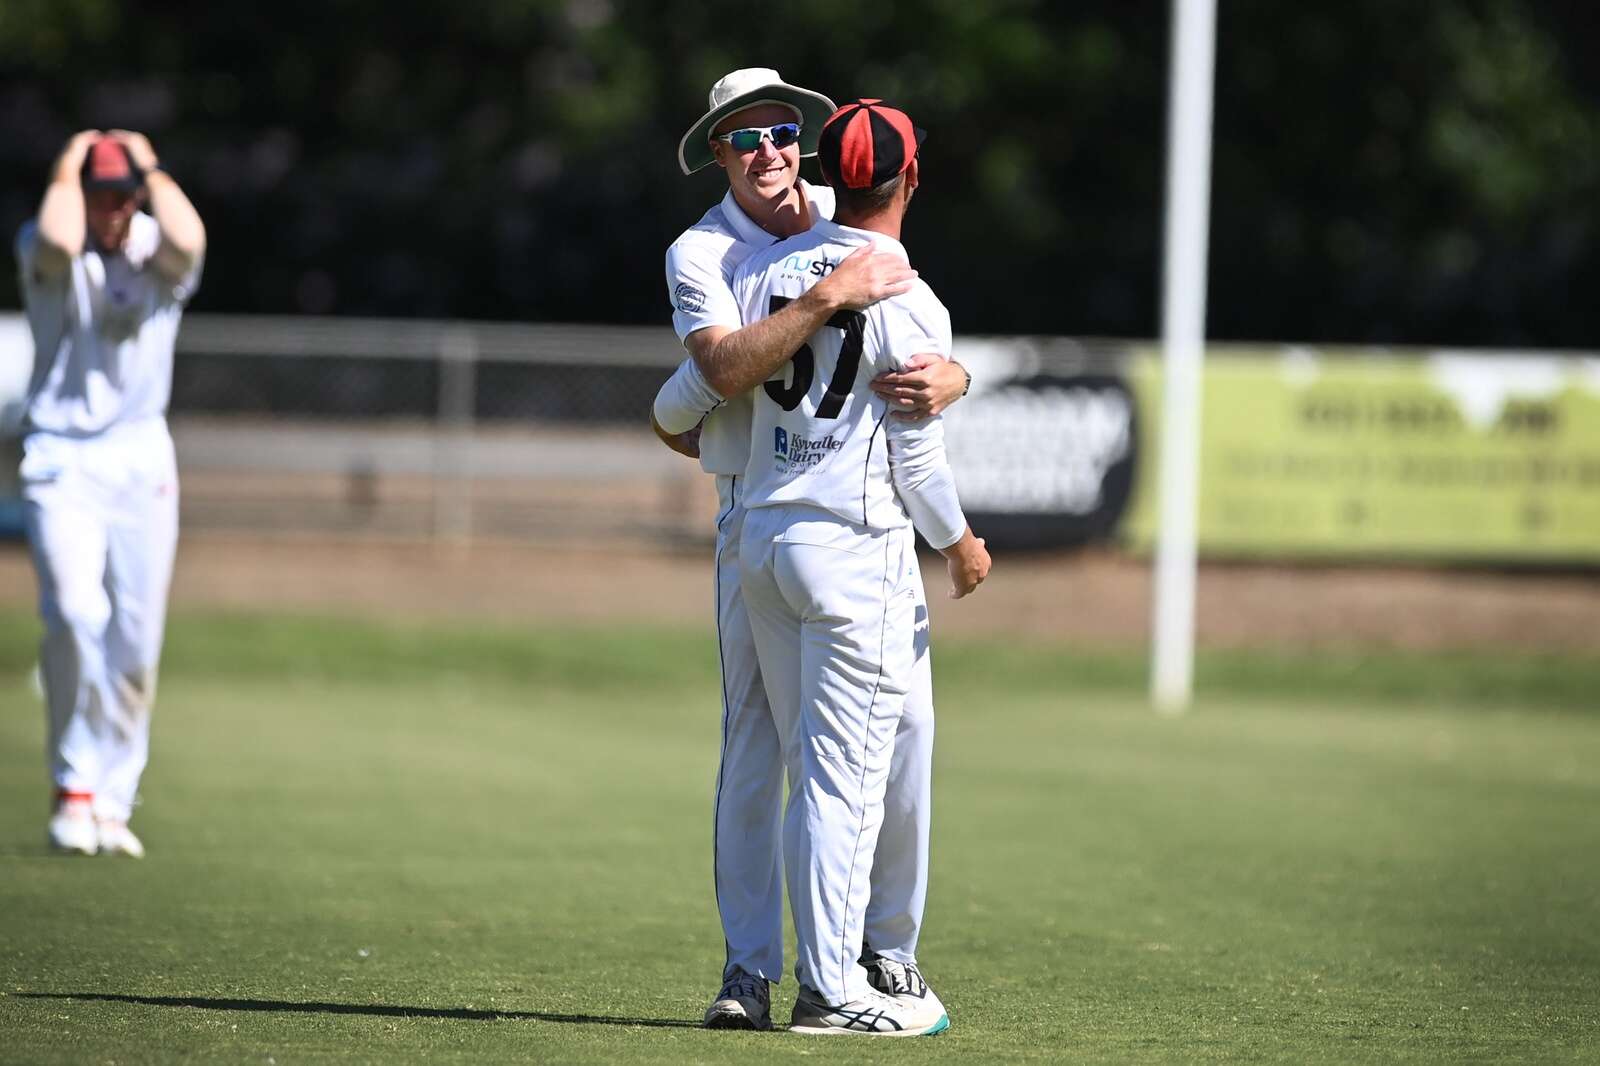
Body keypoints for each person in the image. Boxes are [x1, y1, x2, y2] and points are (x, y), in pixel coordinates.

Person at [651, 69, 970, 1030]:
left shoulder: (837, 212)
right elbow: (714, 372)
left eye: (783, 131)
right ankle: (755, 971)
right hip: (758, 511)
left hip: (824, 528)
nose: (770, 152)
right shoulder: (705, 251)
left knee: (900, 738)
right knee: (763, 748)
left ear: (808, 141)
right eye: (746, 138)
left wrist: (957, 376)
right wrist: (827, 296)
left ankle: (884, 953)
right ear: (718, 151)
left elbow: (913, 340)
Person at [731, 97, 989, 1037]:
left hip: (768, 535)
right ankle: (834, 991)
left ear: (827, 174)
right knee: (842, 782)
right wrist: (959, 544)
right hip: (852, 546)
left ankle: (867, 962)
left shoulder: (768, 269)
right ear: (911, 176)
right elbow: (917, 460)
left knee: (836, 765)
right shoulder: (906, 293)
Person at [14, 129, 206, 858]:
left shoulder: (155, 246)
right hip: (61, 455)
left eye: (123, 195)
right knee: (73, 613)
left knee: (135, 636)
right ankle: (74, 784)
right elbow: (61, 240)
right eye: (100, 195)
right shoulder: (48, 241)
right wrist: (70, 163)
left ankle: (114, 800)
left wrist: (147, 166)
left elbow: (191, 239)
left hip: (140, 457)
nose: (112, 209)